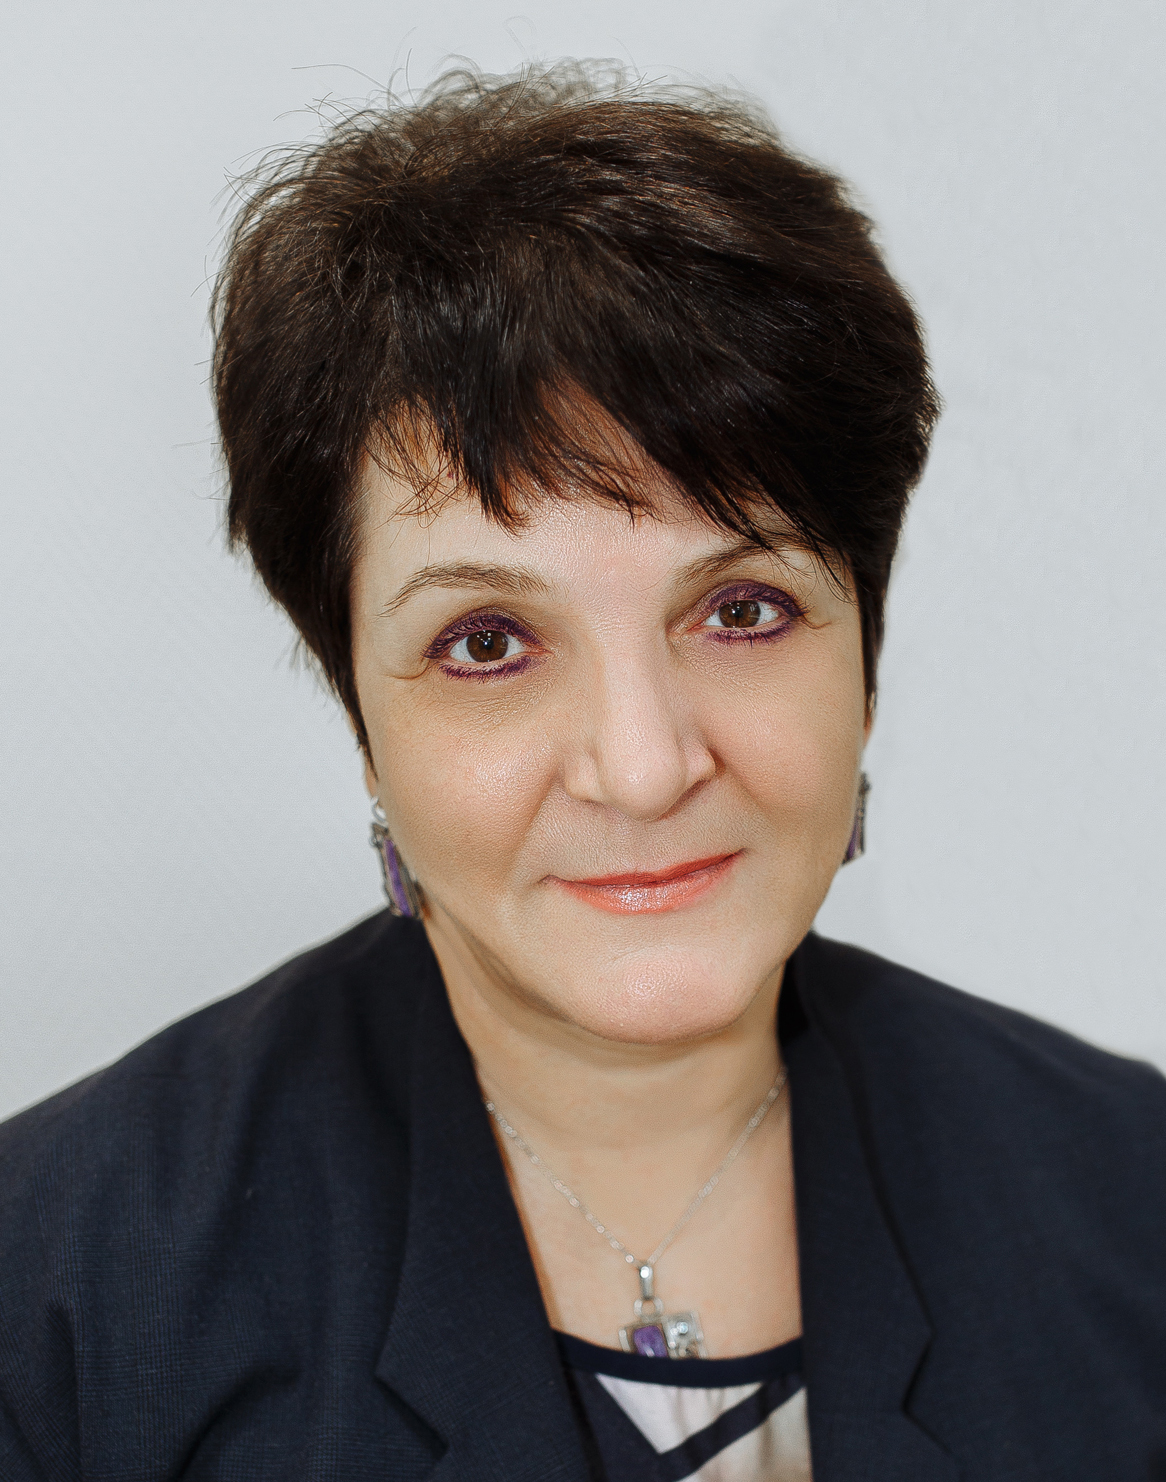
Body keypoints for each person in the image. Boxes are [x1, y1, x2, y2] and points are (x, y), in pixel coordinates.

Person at [1, 62, 1164, 1482]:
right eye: (488, 641)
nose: (645, 765)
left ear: (865, 659)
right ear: (358, 709)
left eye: (742, 609)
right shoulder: (57, 1300)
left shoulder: (1133, 1197)